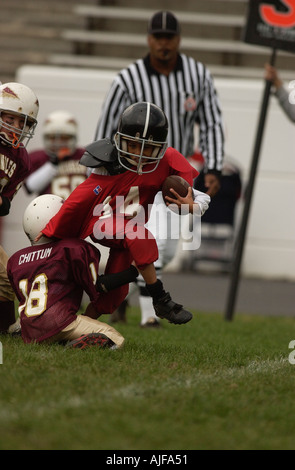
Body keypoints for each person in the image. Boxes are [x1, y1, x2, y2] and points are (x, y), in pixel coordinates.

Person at [94, 10, 224, 327]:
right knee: (144, 242)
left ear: (178, 40)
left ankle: (121, 290)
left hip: (171, 177)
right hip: (132, 176)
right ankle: (149, 315)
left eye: (169, 38)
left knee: (164, 250)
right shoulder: (127, 79)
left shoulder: (197, 75)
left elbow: (211, 122)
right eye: (157, 37)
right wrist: (101, 172)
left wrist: (214, 165)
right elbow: (105, 127)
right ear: (149, 39)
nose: (163, 44)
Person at [35, 102, 211, 326]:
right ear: (120, 140)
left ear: (159, 147)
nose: (138, 154)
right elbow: (82, 197)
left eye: (147, 148)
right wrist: (53, 228)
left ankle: (78, 325)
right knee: (141, 235)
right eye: (133, 145)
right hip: (104, 222)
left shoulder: (166, 160)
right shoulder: (109, 162)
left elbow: (202, 197)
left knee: (114, 296)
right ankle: (160, 298)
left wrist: (192, 205)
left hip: (130, 231)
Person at [6, 194, 139, 348]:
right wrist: (132, 272)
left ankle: (40, 334)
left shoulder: (15, 260)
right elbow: (98, 287)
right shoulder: (72, 249)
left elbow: (23, 298)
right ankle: (72, 343)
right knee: (115, 338)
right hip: (60, 323)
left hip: (30, 331)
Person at [0, 81, 39, 334]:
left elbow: (5, 205)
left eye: (21, 122)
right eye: (10, 119)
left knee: (6, 277)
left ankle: (4, 329)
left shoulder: (21, 158)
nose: (15, 127)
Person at [24, 110, 88, 199]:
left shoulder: (85, 156)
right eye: (53, 138)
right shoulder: (38, 157)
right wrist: (53, 163)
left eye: (64, 138)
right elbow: (30, 188)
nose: (58, 143)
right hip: (49, 210)